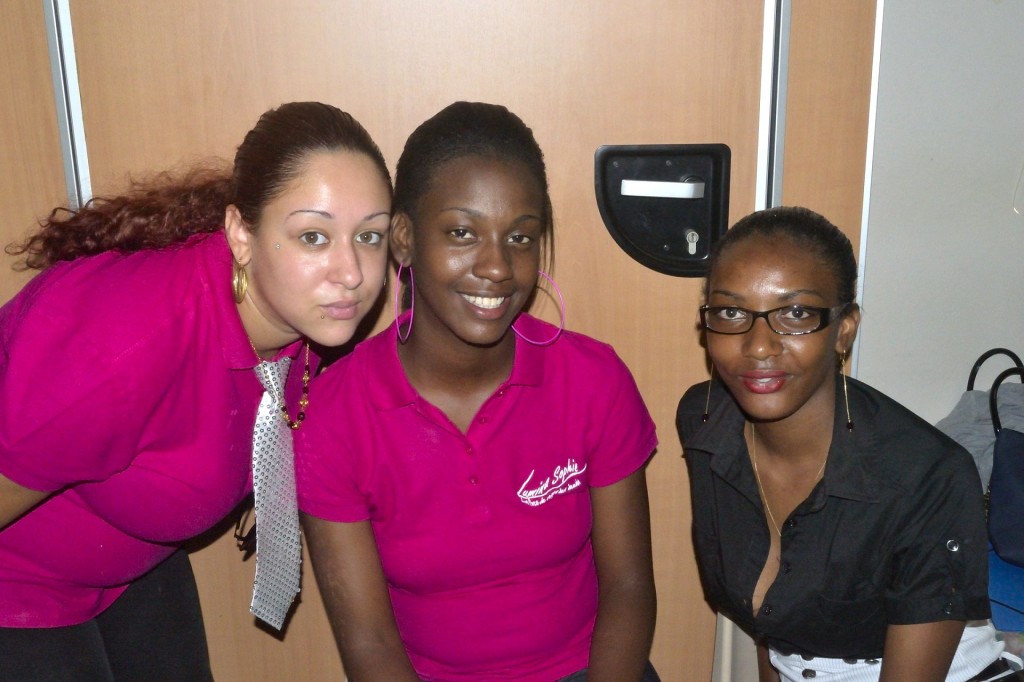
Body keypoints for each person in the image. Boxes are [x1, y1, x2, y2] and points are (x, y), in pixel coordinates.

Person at [0, 101, 392, 680]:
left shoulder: (304, 321)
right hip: (17, 583)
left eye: (370, 236)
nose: (353, 273)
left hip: (129, 563)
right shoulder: (123, 350)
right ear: (241, 234)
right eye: (314, 237)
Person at [296, 101, 659, 681]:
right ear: (405, 239)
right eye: (462, 232)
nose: (497, 266)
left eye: (520, 236)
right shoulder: (336, 415)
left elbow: (630, 588)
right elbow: (368, 642)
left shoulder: (593, 380)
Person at [677, 206, 1023, 682]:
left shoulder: (926, 476)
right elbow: (772, 621)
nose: (758, 346)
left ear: (844, 329)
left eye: (796, 313)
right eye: (732, 312)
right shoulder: (706, 423)